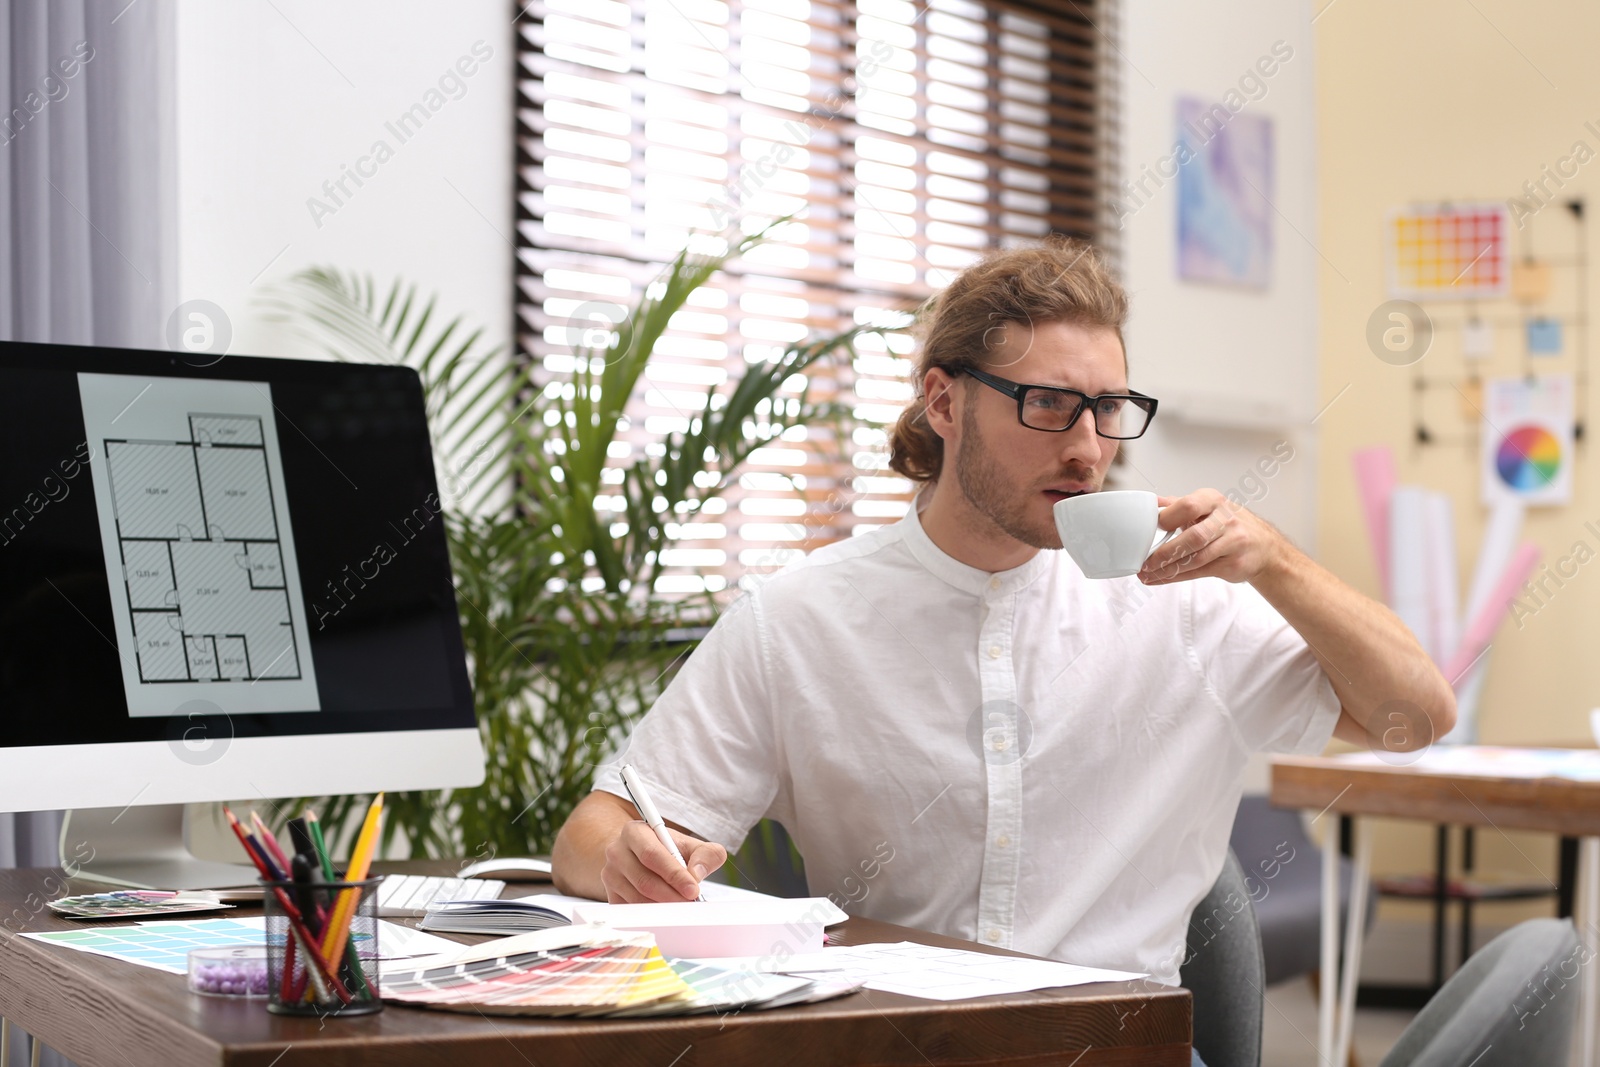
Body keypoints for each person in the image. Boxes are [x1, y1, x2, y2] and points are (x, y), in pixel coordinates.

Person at [552, 239, 1455, 1060]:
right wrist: (626, 858)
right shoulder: (802, 619)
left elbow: (1415, 715)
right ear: (944, 402)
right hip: (898, 1045)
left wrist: (1278, 560)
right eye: (1049, 405)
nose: (1086, 447)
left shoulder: (1189, 602)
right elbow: (589, 836)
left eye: (1107, 410)